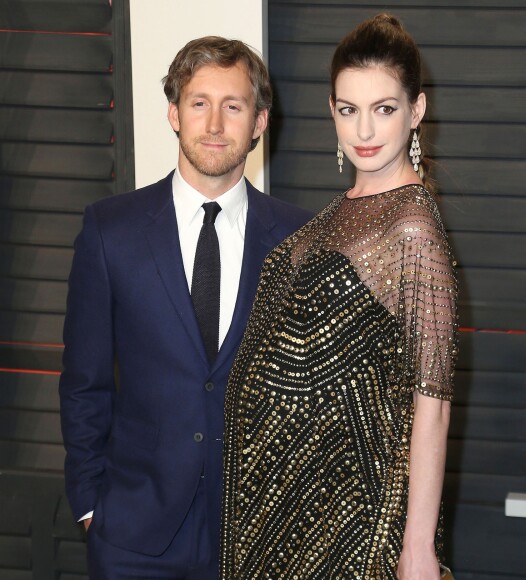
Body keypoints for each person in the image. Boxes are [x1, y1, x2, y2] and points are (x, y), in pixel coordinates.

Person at [59, 36, 311, 579]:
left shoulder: (298, 239)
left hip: (255, 542)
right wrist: (89, 508)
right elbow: (84, 384)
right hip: (131, 538)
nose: (215, 124)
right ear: (174, 113)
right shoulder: (111, 230)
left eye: (234, 106)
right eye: (200, 103)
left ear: (260, 121)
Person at [220, 13, 458, 579]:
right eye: (349, 110)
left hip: (352, 521)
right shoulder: (333, 215)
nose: (365, 132)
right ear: (332, 111)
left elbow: (435, 400)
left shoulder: (412, 226)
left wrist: (418, 549)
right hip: (280, 507)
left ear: (416, 111)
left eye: (384, 109)